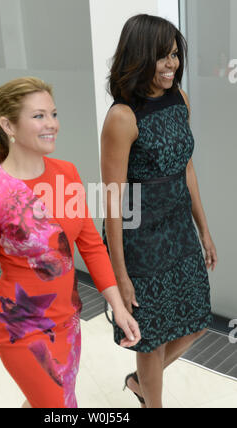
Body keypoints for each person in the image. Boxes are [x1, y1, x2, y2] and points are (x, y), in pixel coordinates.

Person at [0, 77, 141, 408]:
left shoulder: (66, 172)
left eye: (53, 114)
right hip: (21, 329)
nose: (52, 124)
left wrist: (118, 305)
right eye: (38, 116)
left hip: (68, 318)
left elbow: (90, 245)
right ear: (7, 124)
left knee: (49, 401)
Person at [101, 14, 218, 409]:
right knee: (150, 337)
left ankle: (140, 383)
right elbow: (113, 203)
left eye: (174, 55)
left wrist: (203, 229)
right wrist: (120, 274)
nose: (172, 65)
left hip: (179, 230)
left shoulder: (179, 100)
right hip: (140, 241)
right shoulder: (122, 117)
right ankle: (154, 401)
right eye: (161, 57)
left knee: (197, 319)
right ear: (139, 57)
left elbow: (187, 168)